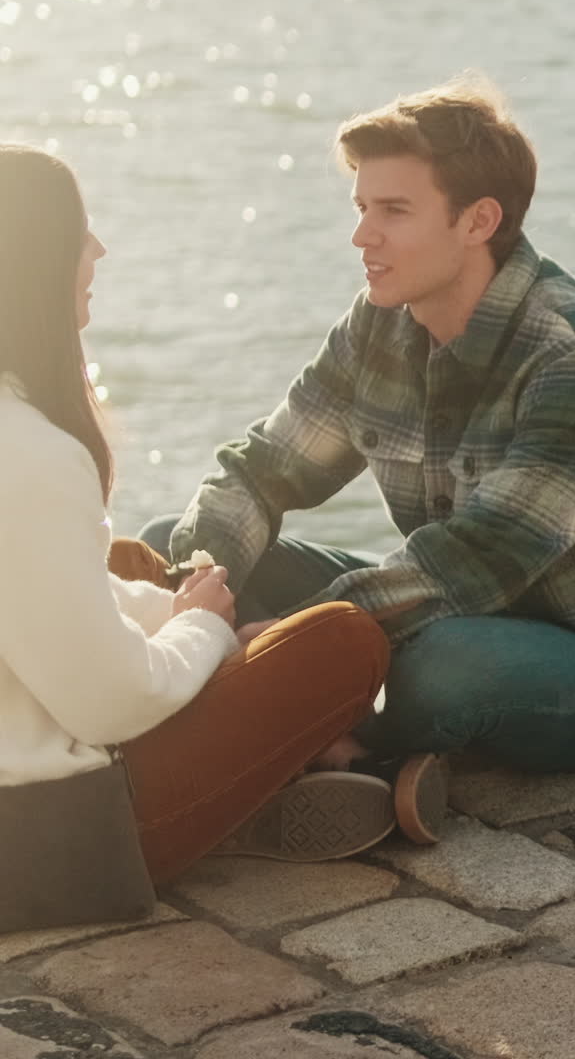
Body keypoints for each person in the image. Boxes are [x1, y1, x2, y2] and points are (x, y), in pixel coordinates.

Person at [148, 76, 575, 775]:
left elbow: (481, 559)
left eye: (393, 210)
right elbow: (263, 470)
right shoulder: (379, 324)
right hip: (446, 608)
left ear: (478, 222)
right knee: (181, 547)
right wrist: (200, 592)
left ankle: (332, 751)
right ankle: (323, 746)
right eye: (359, 207)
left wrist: (296, 638)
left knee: (442, 672)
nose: (361, 235)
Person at [0, 147, 445, 934]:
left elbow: (40, 591)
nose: (97, 251)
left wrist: (189, 620)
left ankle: (276, 783)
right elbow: (109, 702)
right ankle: (296, 774)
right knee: (342, 640)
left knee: (138, 565)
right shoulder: (27, 457)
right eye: (79, 233)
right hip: (50, 838)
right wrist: (205, 632)